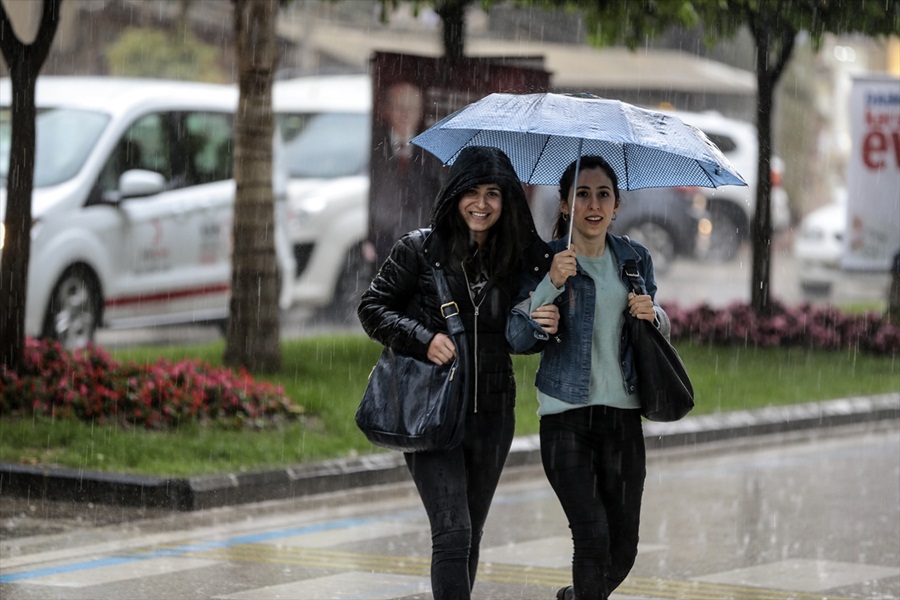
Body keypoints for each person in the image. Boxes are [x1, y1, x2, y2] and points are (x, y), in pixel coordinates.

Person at [358, 146, 558, 599]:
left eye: (493, 193)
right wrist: (422, 338)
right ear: (454, 195)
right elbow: (371, 307)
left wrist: (540, 325)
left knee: (469, 534)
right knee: (452, 533)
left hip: (492, 413)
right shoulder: (419, 249)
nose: (481, 204)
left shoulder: (514, 263)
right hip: (433, 409)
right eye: (471, 191)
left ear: (507, 200)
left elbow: (514, 339)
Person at [507, 155, 671, 600]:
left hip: (622, 418)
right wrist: (551, 285)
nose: (593, 204)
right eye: (582, 194)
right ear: (564, 205)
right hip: (565, 419)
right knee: (592, 537)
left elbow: (657, 330)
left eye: (603, 195)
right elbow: (517, 336)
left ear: (617, 206)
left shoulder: (635, 259)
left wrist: (652, 314)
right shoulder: (545, 260)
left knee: (624, 547)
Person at [366, 80, 443, 268]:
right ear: (386, 109)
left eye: (412, 108)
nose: (405, 115)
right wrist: (367, 236)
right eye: (399, 107)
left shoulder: (432, 149)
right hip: (378, 243)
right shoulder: (372, 145)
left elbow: (439, 193)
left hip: (420, 242)